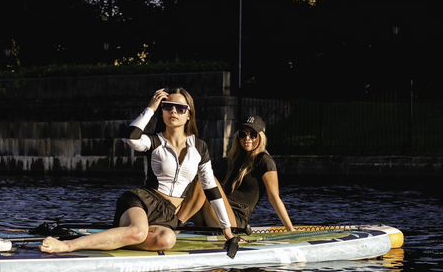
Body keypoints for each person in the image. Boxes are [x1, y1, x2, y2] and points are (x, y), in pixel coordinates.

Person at [41, 87, 234, 254]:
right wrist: (151, 107)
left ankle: (117, 240)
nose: (173, 111)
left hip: (168, 215)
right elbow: (131, 137)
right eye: (167, 107)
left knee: (166, 240)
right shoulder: (154, 141)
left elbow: (211, 189)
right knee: (138, 232)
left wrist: (226, 227)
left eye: (180, 108)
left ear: (189, 114)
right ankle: (68, 245)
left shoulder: (200, 147)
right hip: (142, 201)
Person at [176, 114, 294, 231]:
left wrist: (290, 229)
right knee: (194, 178)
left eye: (253, 134)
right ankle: (168, 222)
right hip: (216, 216)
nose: (247, 138)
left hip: (234, 222)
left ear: (261, 137)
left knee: (204, 180)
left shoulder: (264, 160)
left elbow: (274, 198)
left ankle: (175, 225)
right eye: (243, 134)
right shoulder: (234, 160)